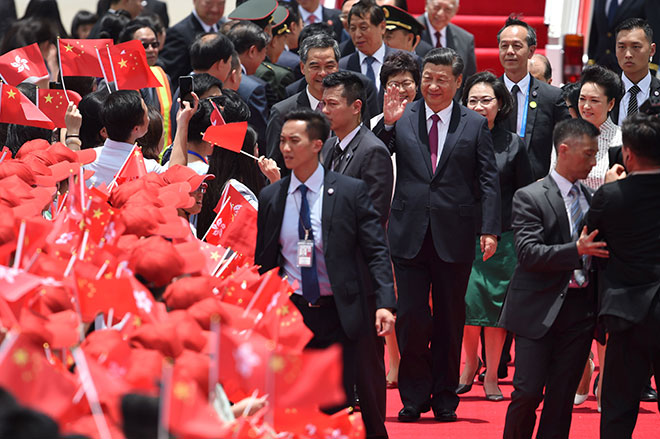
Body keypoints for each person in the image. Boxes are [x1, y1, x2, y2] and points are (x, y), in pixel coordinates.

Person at [254, 108, 396, 433]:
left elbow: (376, 250)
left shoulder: (350, 191)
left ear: (318, 144)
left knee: (341, 404)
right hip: (293, 318)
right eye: (282, 141)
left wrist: (385, 303)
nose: (286, 148)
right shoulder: (272, 197)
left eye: (295, 141)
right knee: (299, 405)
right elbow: (264, 262)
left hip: (341, 314)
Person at [379, 47, 501, 423]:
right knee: (413, 318)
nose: (433, 85)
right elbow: (378, 160)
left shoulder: (474, 124)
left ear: (458, 82)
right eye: (427, 78)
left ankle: (446, 396)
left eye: (441, 79)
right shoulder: (402, 117)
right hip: (408, 232)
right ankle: (414, 396)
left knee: (450, 318)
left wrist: (490, 228)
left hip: (455, 233)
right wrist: (386, 125)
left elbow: (488, 180)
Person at [499, 118, 608, 439]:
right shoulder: (529, 196)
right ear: (564, 150)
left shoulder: (593, 199)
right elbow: (529, 254)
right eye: (588, 154)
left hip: (580, 312)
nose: (593, 161)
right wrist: (577, 249)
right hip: (536, 309)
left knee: (561, 400)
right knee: (528, 393)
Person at [320, 71, 393, 439]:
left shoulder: (373, 152)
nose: (325, 110)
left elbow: (373, 219)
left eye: (332, 104)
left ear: (356, 106)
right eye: (323, 102)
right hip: (327, 277)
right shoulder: (330, 146)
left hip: (359, 278)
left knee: (366, 368)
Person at [458, 71, 534, 402]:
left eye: (486, 100)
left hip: (503, 239)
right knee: (468, 307)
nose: (478, 106)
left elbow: (525, 193)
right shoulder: (457, 139)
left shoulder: (512, 144)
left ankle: (491, 375)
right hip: (463, 236)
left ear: (499, 104)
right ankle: (467, 367)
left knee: (495, 313)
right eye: (472, 100)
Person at [586, 112, 660, 439]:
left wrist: (608, 188)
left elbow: (590, 239)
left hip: (625, 313)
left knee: (617, 409)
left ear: (627, 154)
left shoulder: (610, 196)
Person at [498, 17, 570, 180]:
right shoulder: (489, 93)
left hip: (537, 185)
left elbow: (567, 140)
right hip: (496, 186)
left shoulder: (551, 96)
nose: (510, 51)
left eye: (517, 46)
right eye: (504, 46)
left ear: (531, 51)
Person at [266, 33, 339, 173]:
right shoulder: (282, 112)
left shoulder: (348, 107)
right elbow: (275, 168)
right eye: (315, 66)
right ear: (302, 68)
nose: (323, 73)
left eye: (329, 66)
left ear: (337, 66)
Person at [83, 90, 187, 187]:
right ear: (136, 129)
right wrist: (183, 123)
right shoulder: (147, 168)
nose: (149, 119)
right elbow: (175, 178)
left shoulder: (85, 160)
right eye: (146, 116)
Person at [552, 65, 622, 190]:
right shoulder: (565, 135)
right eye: (582, 99)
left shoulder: (621, 139)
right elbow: (553, 177)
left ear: (610, 104)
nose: (586, 106)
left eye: (594, 101)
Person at [118, 18, 173, 147]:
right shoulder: (117, 81)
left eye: (154, 44)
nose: (150, 50)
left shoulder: (163, 76)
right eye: (144, 45)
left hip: (163, 155)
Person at [227, 21, 272, 148]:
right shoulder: (253, 89)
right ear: (252, 51)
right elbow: (262, 138)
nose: (264, 58)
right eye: (264, 52)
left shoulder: (216, 75)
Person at [159, 0, 226, 84]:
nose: (215, 9)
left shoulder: (224, 28)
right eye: (209, 3)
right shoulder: (179, 33)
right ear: (195, 1)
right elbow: (171, 78)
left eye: (221, 4)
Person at [340, 0, 399, 94]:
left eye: (363, 28)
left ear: (382, 27)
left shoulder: (402, 61)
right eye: (353, 29)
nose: (357, 34)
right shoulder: (342, 66)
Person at [588, 0, 660, 74]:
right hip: (600, 67)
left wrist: (651, 68)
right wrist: (591, 61)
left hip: (631, 69)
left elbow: (655, 32)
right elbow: (594, 32)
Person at [612, 18, 660, 125]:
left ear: (652, 50)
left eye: (636, 47)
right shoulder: (606, 91)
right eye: (621, 47)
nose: (628, 54)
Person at [418, 0, 476, 86]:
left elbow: (469, 78)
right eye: (436, 7)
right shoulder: (409, 33)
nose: (441, 13)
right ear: (426, 4)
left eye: (448, 9)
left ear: (456, 10)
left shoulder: (465, 39)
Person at [370, 50, 420, 129]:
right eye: (394, 85)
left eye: (406, 84)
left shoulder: (426, 119)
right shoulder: (374, 124)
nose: (401, 90)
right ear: (384, 88)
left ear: (416, 86)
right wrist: (389, 124)